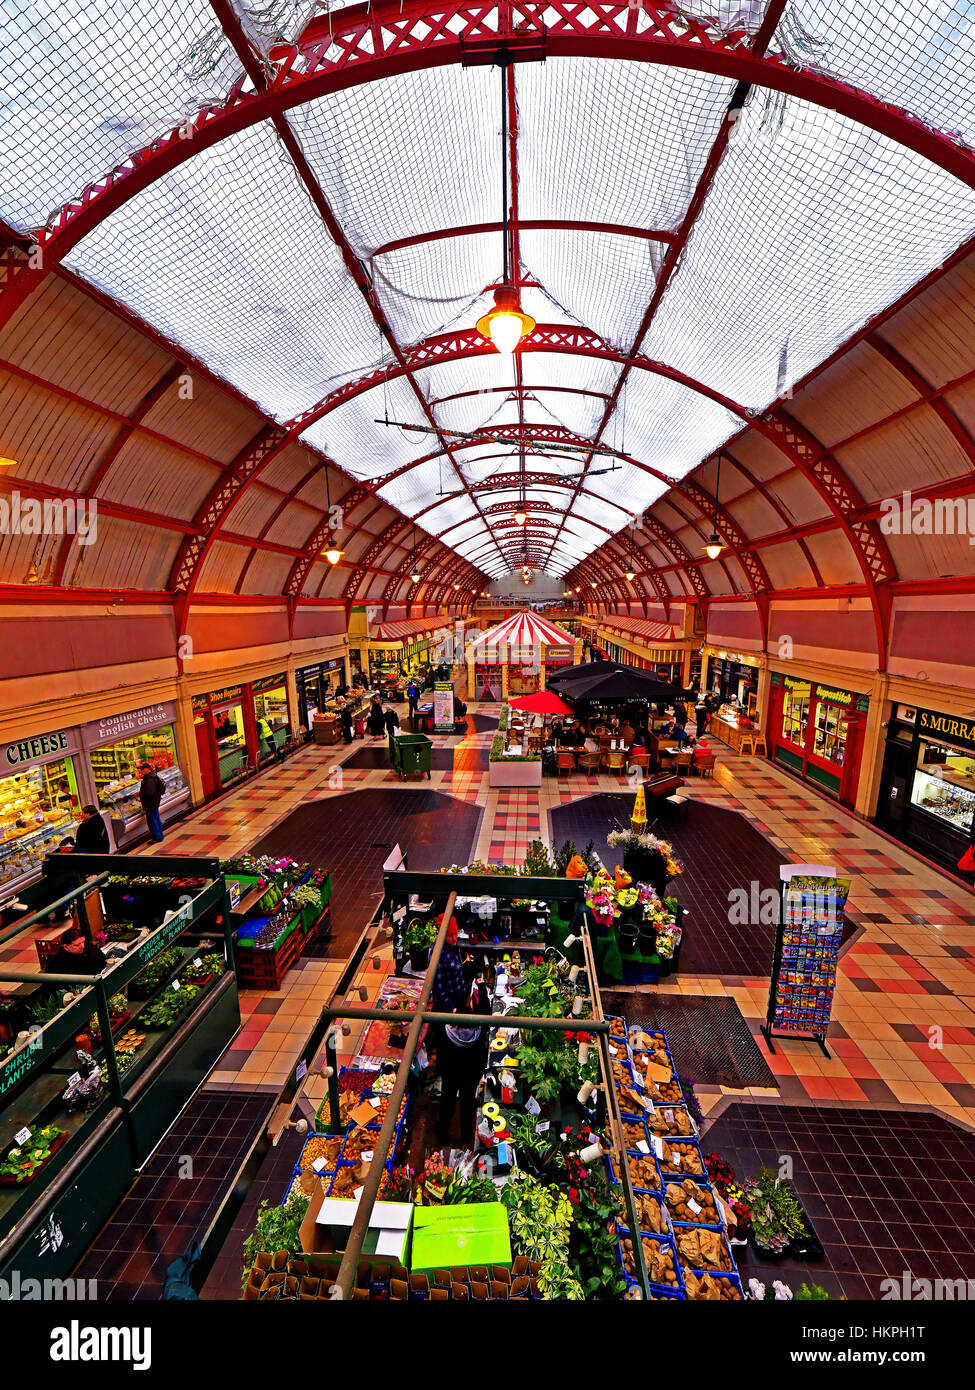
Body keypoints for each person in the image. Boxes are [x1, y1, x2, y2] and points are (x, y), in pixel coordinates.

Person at [435, 958, 493, 1148]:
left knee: (448, 1098)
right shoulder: (479, 1019)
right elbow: (486, 1009)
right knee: (468, 1100)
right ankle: (467, 1136)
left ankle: (442, 1134)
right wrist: (482, 983)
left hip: (450, 1065)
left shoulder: (447, 1016)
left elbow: (438, 1037)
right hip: (471, 1067)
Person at [138, 762, 166, 843]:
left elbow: (149, 792)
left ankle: (157, 838)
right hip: (154, 802)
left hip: (150, 803)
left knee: (152, 821)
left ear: (148, 769)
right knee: (156, 819)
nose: (141, 771)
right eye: (141, 769)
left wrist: (140, 794)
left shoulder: (149, 779)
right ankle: (159, 835)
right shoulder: (153, 776)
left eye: (143, 769)